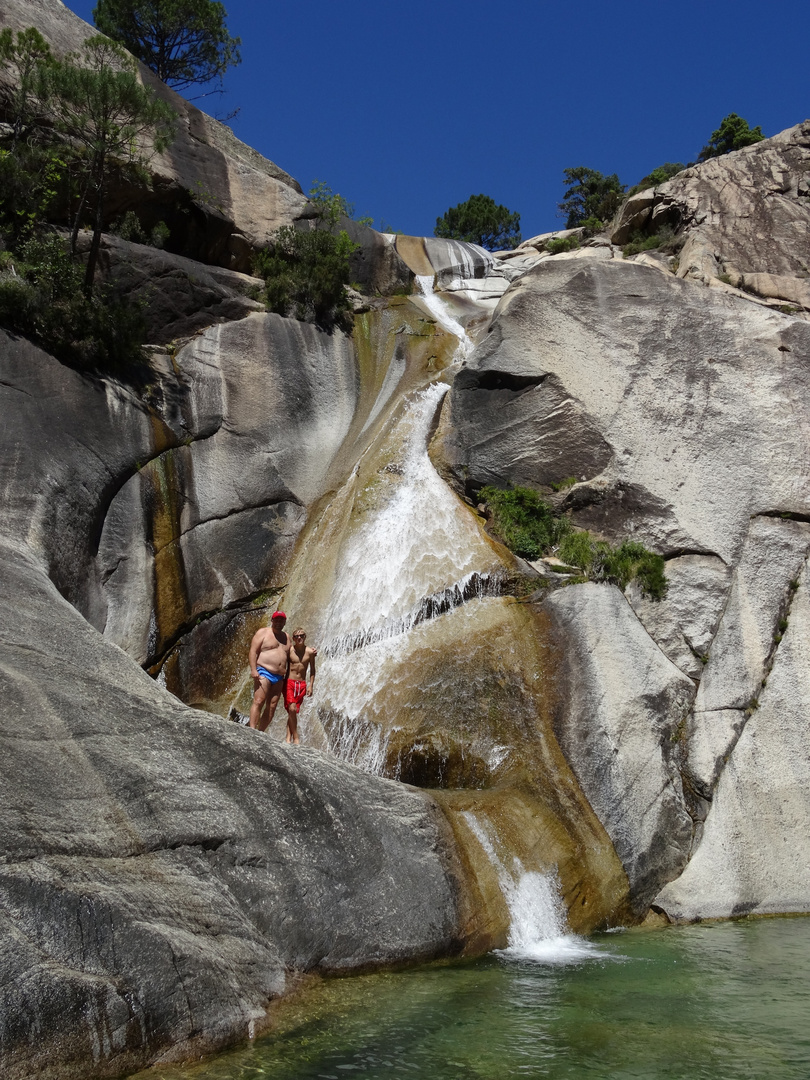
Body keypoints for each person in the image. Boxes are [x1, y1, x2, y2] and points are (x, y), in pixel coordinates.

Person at [248, 611, 292, 732]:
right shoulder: (263, 632)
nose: (278, 623)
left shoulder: (287, 637)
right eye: (276, 620)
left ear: (284, 622)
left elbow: (292, 656)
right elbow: (253, 651)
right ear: (272, 621)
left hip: (279, 677)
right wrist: (253, 669)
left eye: (281, 620)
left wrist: (309, 650)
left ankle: (260, 732)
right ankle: (252, 731)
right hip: (264, 671)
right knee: (259, 700)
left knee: (272, 707)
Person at [283, 627, 316, 745]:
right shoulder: (290, 650)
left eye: (302, 635)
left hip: (301, 684)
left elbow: (312, 670)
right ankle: (296, 738)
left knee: (292, 712)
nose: (299, 638)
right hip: (289, 682)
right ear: (293, 638)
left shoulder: (310, 652)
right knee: (291, 709)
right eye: (297, 636)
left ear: (305, 637)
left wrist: (311, 686)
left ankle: (288, 738)